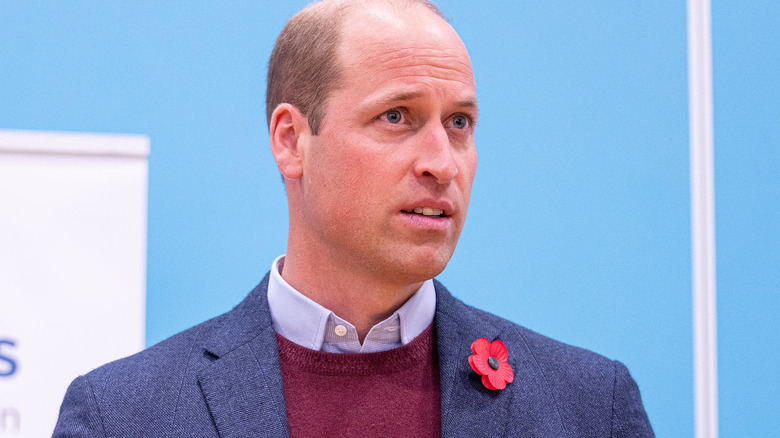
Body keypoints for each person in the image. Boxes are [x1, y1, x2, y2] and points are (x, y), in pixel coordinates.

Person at [53, 0, 654, 436]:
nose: (442, 163)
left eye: (460, 123)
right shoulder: (122, 416)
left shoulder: (588, 408)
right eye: (396, 117)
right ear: (292, 140)